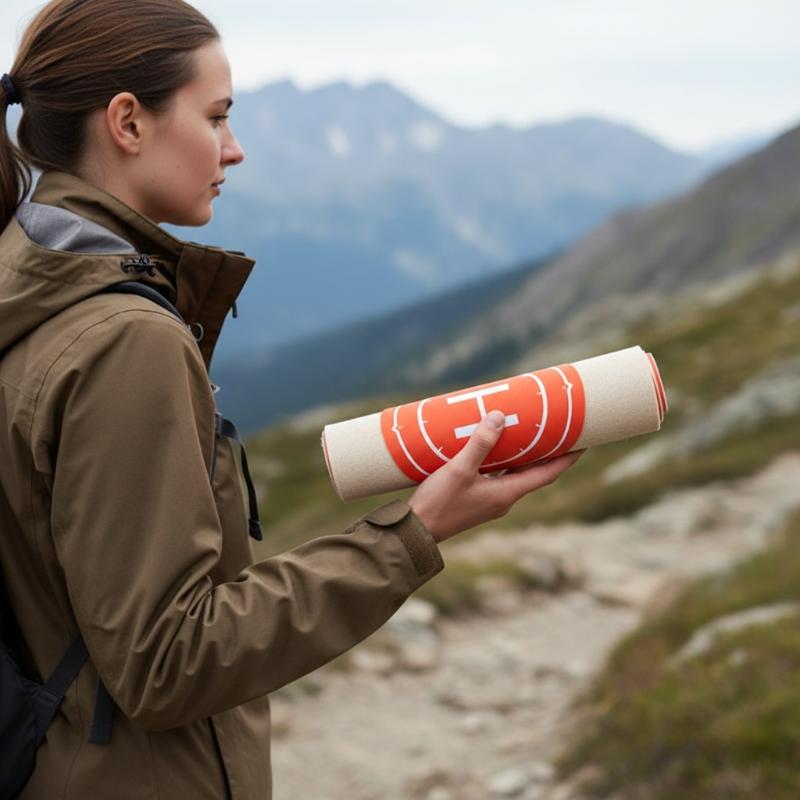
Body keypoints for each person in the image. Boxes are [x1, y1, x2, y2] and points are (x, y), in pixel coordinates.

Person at [0, 1, 582, 797]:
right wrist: (415, 532)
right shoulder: (124, 340)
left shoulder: (23, 277)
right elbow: (164, 662)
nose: (234, 149)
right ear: (128, 122)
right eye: (216, 117)